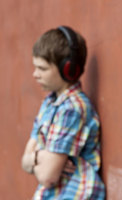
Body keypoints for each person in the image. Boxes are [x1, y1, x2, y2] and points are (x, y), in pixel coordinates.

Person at [21, 26, 105, 199]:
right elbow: (24, 161)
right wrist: (41, 156)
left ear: (68, 69)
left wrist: (35, 155)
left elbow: (47, 176)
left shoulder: (72, 109)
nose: (35, 74)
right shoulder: (49, 103)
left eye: (42, 69)